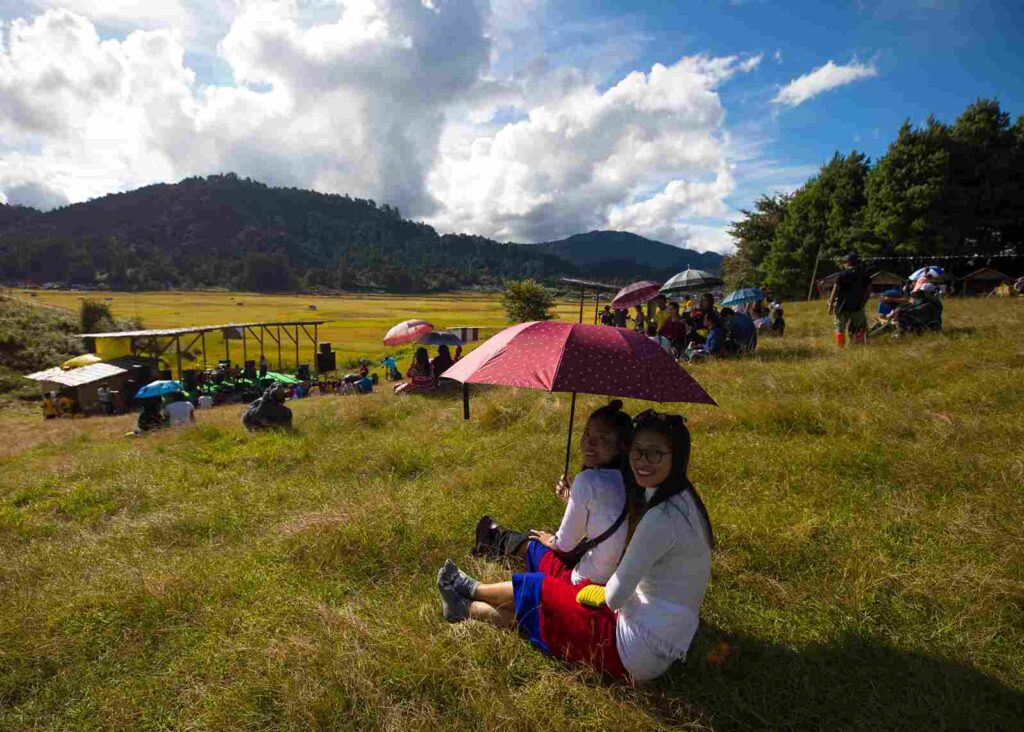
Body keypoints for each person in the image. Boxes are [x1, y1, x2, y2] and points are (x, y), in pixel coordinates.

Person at [437, 410, 713, 683]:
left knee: (541, 588)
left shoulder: (660, 518)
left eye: (655, 453)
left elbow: (614, 596)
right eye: (637, 450)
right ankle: (464, 608)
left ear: (676, 457)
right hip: (663, 642)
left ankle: (470, 588)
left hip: (633, 648)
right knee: (541, 618)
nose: (642, 460)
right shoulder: (685, 501)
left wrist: (585, 592)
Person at [472, 401, 635, 587]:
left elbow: (564, 545)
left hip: (585, 582)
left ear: (622, 445)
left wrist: (549, 539)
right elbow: (602, 520)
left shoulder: (588, 481)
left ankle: (494, 542)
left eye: (602, 437)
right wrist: (572, 500)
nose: (590, 442)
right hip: (618, 579)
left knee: (536, 542)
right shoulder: (633, 480)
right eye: (587, 433)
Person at [828, 252, 871, 347]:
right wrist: (863, 303)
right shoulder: (864, 275)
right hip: (857, 306)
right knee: (859, 327)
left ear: (848, 262)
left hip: (841, 307)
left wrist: (830, 305)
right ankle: (857, 346)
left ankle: (841, 347)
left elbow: (835, 291)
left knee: (840, 328)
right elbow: (868, 292)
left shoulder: (842, 275)